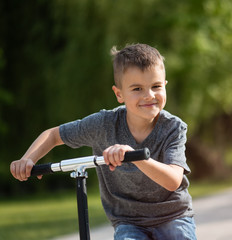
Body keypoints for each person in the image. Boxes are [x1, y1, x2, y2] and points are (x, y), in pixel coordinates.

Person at [10, 43, 196, 240]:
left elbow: (173, 181)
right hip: (129, 220)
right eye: (137, 88)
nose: (149, 95)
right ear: (119, 94)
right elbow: (53, 135)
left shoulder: (173, 128)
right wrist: (28, 159)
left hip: (172, 216)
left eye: (156, 86)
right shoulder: (104, 124)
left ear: (165, 86)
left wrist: (134, 156)